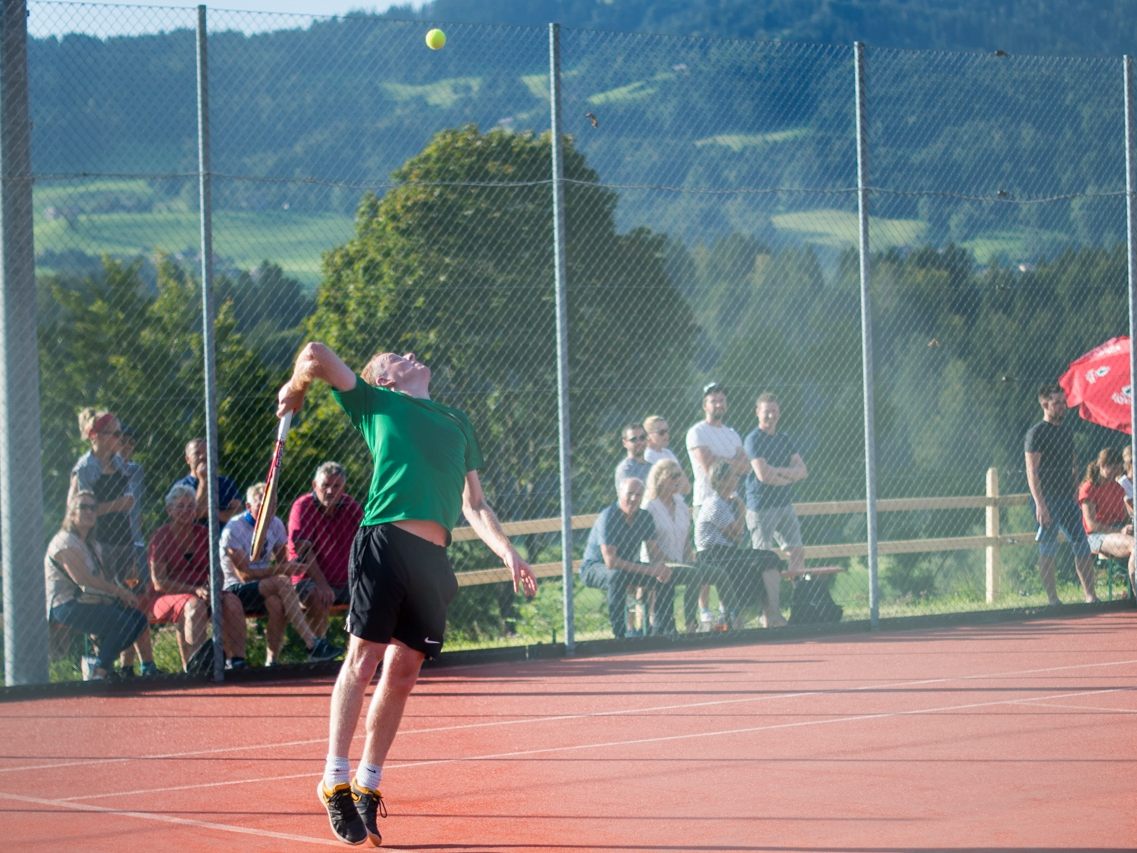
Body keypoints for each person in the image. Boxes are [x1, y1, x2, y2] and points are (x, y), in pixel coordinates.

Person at [276, 342, 538, 847]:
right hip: (383, 543)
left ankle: (368, 786)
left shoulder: (457, 420)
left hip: (432, 559)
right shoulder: (377, 404)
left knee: (403, 673)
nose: (410, 353)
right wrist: (296, 387)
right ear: (385, 380)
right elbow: (313, 354)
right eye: (395, 355)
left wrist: (507, 552)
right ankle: (333, 779)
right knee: (364, 658)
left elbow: (475, 504)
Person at [71, 408, 157, 676]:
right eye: (116, 434)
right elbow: (81, 513)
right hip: (98, 546)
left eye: (123, 435)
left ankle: (141, 666)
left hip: (127, 544)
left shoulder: (124, 467)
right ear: (95, 435)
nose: (121, 440)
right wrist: (112, 506)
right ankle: (100, 665)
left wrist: (108, 508)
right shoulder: (85, 469)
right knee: (104, 603)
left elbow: (130, 503)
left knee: (134, 600)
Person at [219, 482, 342, 666]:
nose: (267, 511)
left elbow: (283, 561)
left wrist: (295, 566)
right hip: (235, 589)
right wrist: (283, 570)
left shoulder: (275, 524)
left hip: (263, 587)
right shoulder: (234, 529)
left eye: (271, 505)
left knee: (276, 604)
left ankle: (272, 661)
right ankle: (312, 643)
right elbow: (245, 575)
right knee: (283, 582)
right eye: (261, 505)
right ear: (248, 506)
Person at [45, 489, 148, 681]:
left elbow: (101, 580)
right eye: (83, 507)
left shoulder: (92, 544)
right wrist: (119, 592)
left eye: (93, 508)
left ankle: (100, 665)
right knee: (119, 621)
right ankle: (99, 673)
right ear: (71, 512)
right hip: (65, 605)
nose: (89, 512)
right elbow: (83, 580)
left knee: (137, 619)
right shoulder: (64, 541)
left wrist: (121, 596)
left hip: (89, 603)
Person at [148, 483, 248, 672]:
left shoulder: (205, 534)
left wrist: (213, 589)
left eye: (190, 506)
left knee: (232, 601)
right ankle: (196, 666)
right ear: (169, 510)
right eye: (180, 506)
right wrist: (194, 590)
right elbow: (159, 582)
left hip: (205, 591)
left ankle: (237, 660)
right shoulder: (160, 537)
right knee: (195, 606)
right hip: (168, 596)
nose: (186, 511)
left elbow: (217, 570)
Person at [1024, 384, 1097, 604]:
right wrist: (1040, 504)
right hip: (1047, 500)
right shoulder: (1036, 433)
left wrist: (1075, 490)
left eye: (1063, 402)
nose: (1062, 407)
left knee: (1081, 544)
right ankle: (1053, 600)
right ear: (1045, 404)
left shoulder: (1066, 431)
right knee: (1048, 547)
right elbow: (1032, 471)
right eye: (1056, 403)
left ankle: (1090, 596)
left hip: (1068, 499)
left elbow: (1073, 462)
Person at [580, 476, 676, 638]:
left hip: (627, 566)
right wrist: (650, 570)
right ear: (619, 493)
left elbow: (654, 552)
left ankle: (660, 630)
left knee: (665, 576)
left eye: (638, 495)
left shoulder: (644, 516)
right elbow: (611, 562)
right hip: (596, 567)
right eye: (630, 493)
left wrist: (663, 567)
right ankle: (621, 634)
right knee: (616, 576)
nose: (634, 498)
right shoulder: (608, 517)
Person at [685, 383, 749, 624]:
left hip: (731, 500)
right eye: (713, 401)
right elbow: (709, 466)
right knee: (706, 557)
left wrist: (728, 463)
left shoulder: (732, 434)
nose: (718, 404)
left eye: (722, 400)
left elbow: (745, 466)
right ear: (705, 405)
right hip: (706, 502)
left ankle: (727, 611)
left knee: (730, 555)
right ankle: (705, 612)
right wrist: (732, 461)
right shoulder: (697, 432)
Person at [695, 461, 786, 628]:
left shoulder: (726, 503)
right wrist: (742, 509)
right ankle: (737, 618)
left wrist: (738, 516)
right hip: (712, 555)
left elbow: (736, 537)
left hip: (726, 552)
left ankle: (771, 614)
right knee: (755, 562)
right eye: (733, 476)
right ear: (722, 480)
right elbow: (736, 534)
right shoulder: (715, 504)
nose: (737, 479)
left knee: (768, 558)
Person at [287, 461, 364, 637]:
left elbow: (367, 539)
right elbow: (302, 549)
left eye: (336, 486)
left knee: (374, 593)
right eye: (325, 485)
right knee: (317, 595)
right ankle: (317, 651)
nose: (330, 491)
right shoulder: (302, 506)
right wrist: (322, 584)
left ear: (343, 488)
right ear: (315, 485)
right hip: (309, 580)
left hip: (346, 581)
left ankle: (361, 653)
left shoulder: (349, 505)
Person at [743, 393, 808, 575]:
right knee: (763, 556)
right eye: (766, 411)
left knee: (796, 551)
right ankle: (765, 600)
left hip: (784, 504)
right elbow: (763, 475)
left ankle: (799, 596)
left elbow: (803, 470)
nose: (771, 415)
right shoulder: (753, 439)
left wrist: (777, 471)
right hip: (761, 507)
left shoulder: (784, 438)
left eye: (774, 411)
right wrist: (789, 476)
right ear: (757, 412)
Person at [641, 458, 701, 632]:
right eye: (673, 476)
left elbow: (686, 540)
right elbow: (651, 546)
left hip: (680, 561)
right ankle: (685, 625)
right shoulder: (650, 507)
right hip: (657, 562)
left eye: (680, 476)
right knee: (693, 575)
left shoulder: (681, 504)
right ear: (660, 479)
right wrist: (677, 564)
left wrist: (689, 561)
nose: (678, 480)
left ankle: (730, 617)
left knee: (712, 573)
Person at [1077, 447, 1135, 587]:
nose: (1116, 473)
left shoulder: (1118, 488)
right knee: (1135, 545)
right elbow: (1091, 525)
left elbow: (1125, 518)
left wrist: (1127, 527)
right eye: (1112, 468)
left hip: (1118, 531)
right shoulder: (1088, 488)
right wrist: (1119, 531)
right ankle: (1135, 594)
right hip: (1096, 537)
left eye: (1118, 469)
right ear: (1102, 465)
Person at [175, 438, 243, 530]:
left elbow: (238, 514)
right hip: (194, 540)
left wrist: (213, 513)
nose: (202, 456)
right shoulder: (182, 486)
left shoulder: (225, 482)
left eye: (207, 452)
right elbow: (192, 514)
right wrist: (203, 481)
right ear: (188, 459)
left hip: (224, 539)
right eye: (197, 453)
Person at [614, 422, 653, 493]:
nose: (639, 442)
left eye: (642, 438)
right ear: (624, 443)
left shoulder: (652, 467)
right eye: (633, 439)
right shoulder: (625, 469)